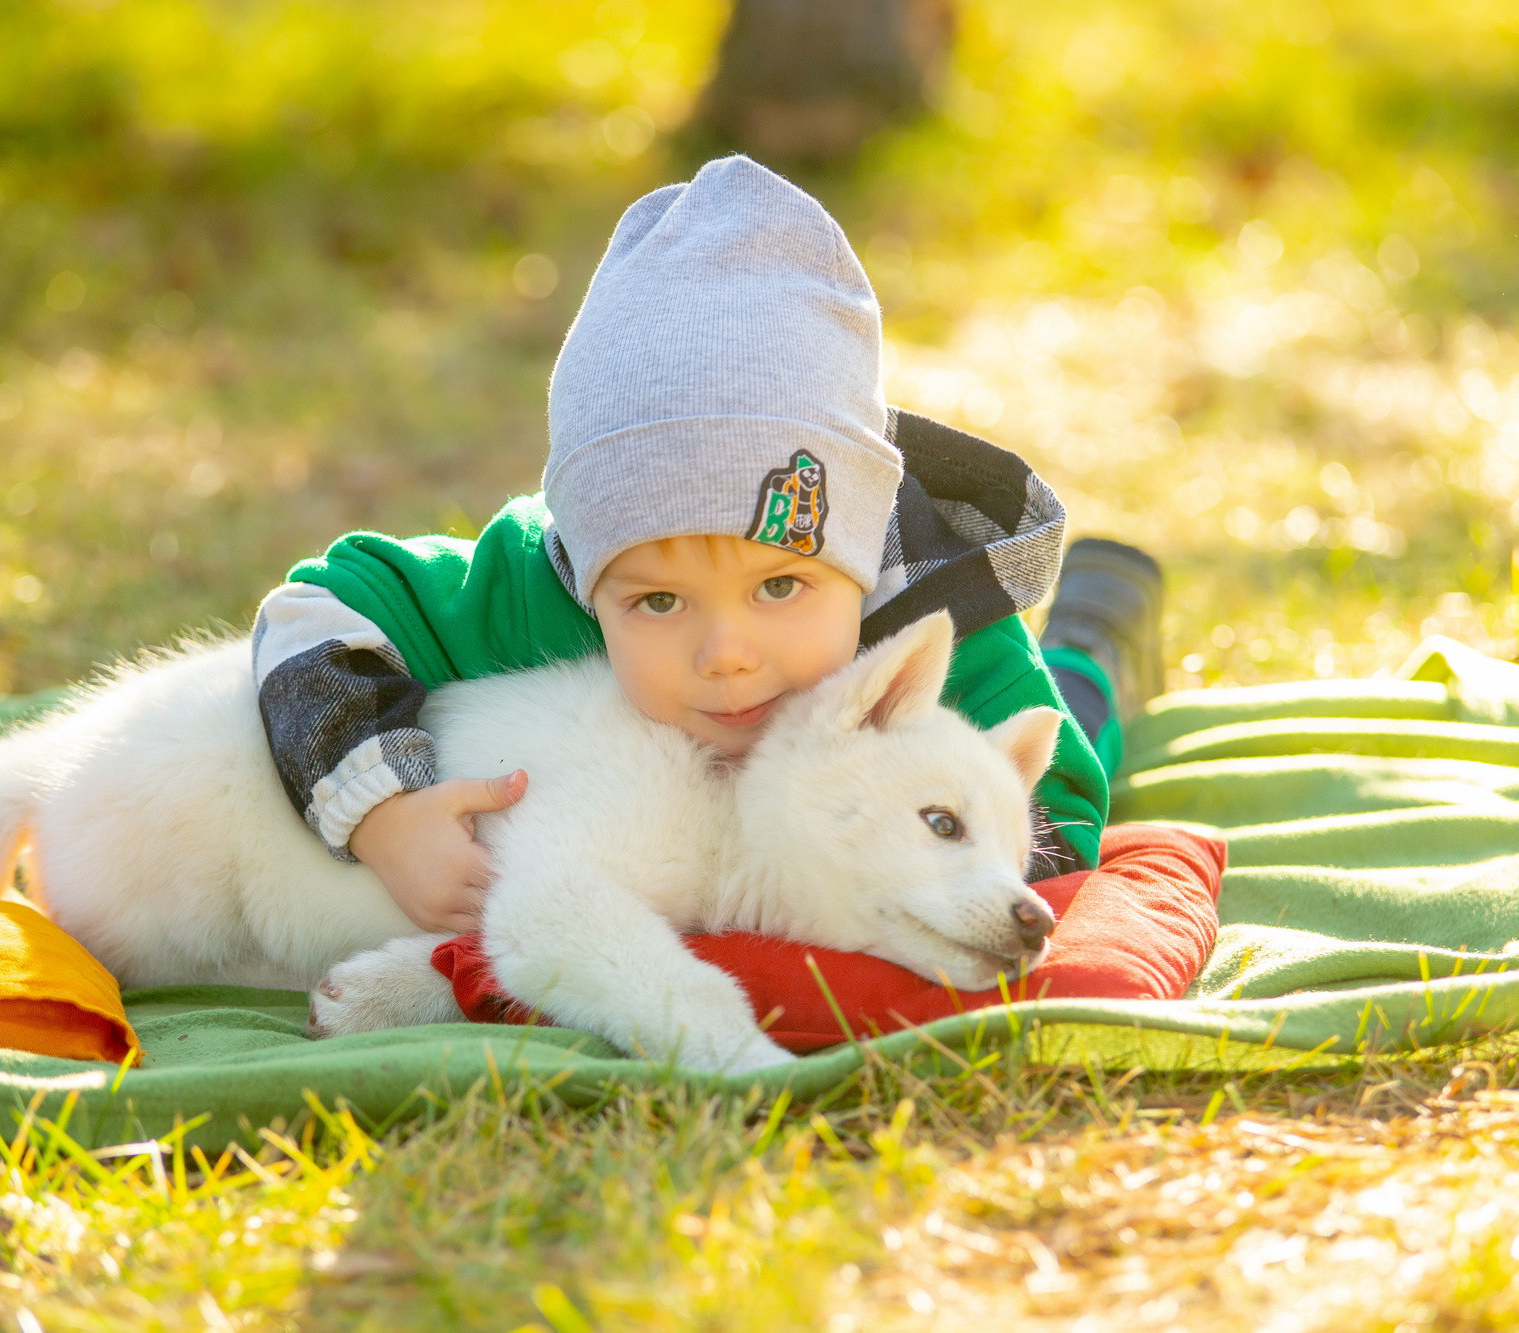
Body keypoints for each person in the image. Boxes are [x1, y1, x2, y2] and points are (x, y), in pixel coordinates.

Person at [249, 155, 1163, 937]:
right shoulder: (537, 582)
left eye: (779, 588)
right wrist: (383, 810)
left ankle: (1095, 637)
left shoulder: (935, 616)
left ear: (851, 558)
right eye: (657, 602)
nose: (725, 654)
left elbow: (1060, 827)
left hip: (1016, 703)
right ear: (591, 573)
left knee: (1070, 697)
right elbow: (312, 611)